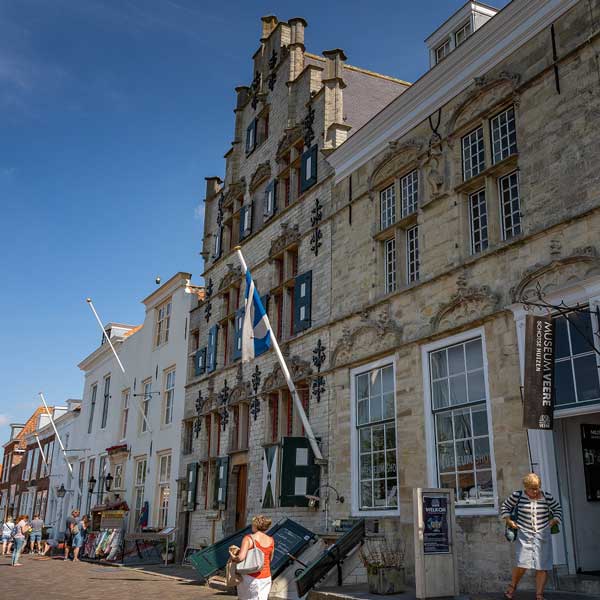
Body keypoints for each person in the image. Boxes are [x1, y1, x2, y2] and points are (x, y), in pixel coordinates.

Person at [501, 473, 563, 600]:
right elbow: (505, 507)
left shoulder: (546, 497)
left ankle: (539, 595)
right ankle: (512, 586)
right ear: (526, 487)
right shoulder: (517, 496)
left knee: (542, 565)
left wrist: (554, 520)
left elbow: (558, 509)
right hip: (524, 534)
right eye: (532, 489)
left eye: (537, 488)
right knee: (522, 563)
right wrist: (508, 520)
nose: (535, 491)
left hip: (543, 534)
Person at [231, 515, 275, 600]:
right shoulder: (271, 540)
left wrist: (233, 557)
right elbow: (270, 559)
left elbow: (241, 558)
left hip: (250, 577)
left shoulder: (248, 538)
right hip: (266, 577)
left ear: (255, 525)